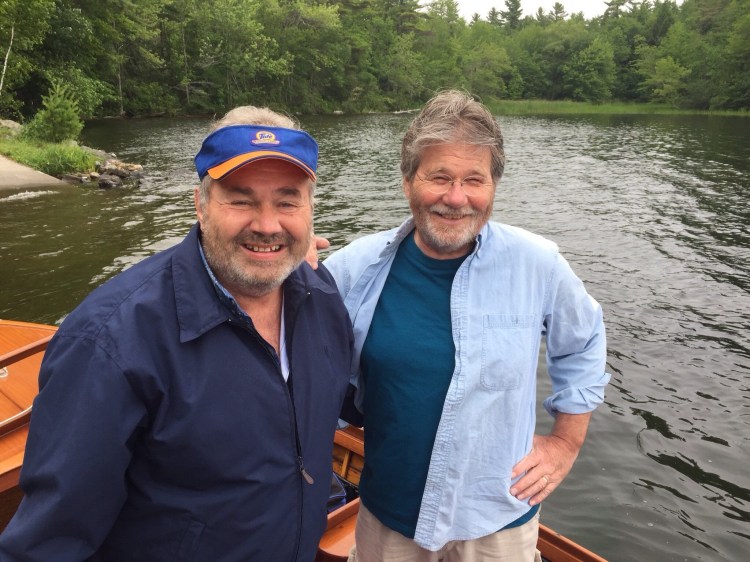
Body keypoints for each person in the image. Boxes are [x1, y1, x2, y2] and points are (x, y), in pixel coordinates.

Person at [0, 106, 354, 561]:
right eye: (241, 200)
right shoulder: (110, 342)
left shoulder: (319, 295)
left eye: (287, 201)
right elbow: (49, 542)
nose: (268, 225)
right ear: (201, 205)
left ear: (310, 208)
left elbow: (337, 402)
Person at [324, 90, 611, 561]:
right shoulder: (354, 268)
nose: (456, 198)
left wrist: (564, 442)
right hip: (387, 515)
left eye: (473, 179)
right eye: (439, 177)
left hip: (497, 518)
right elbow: (289, 336)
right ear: (407, 182)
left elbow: (583, 343)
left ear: (492, 186)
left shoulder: (537, 264)